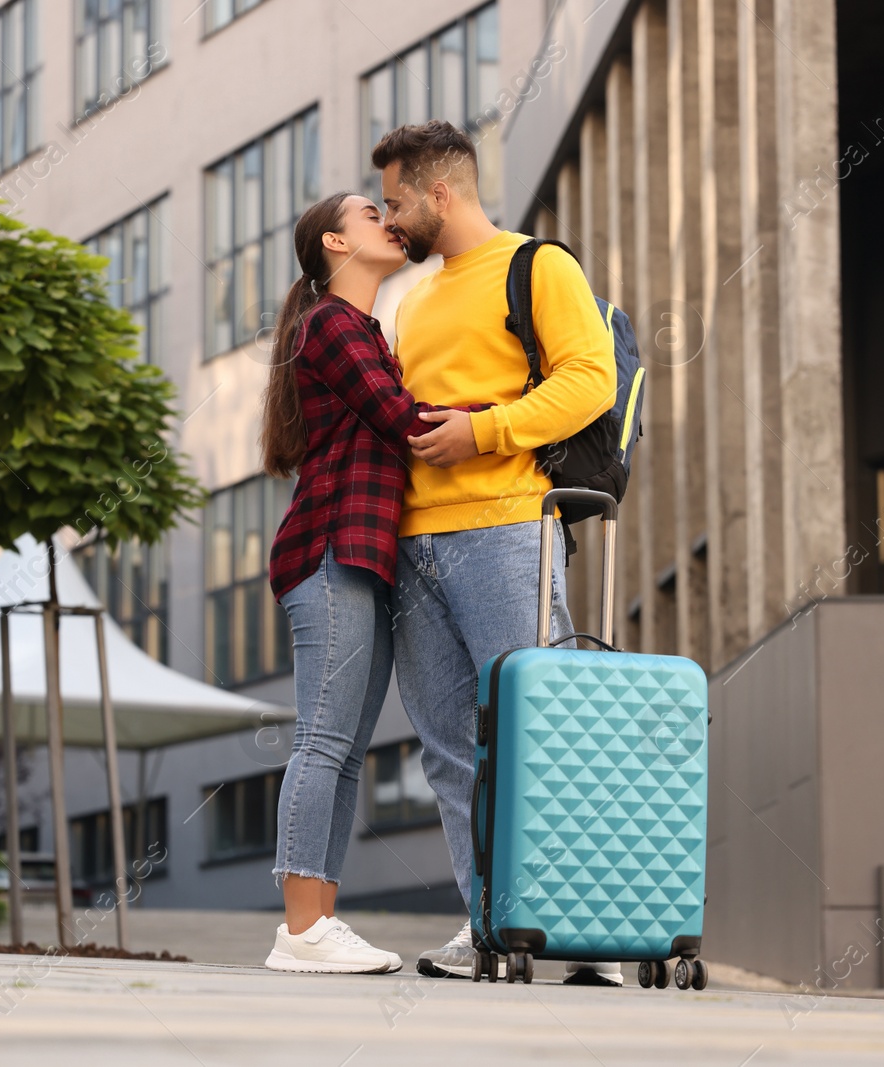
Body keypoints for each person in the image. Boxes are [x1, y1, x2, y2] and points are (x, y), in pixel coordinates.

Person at [373, 121, 624, 985]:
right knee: (449, 747)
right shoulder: (413, 299)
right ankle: (484, 923)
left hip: (511, 527)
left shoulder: (538, 265)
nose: (388, 217)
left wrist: (486, 429)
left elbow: (591, 377)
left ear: (441, 192)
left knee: (539, 732)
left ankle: (588, 933)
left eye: (397, 199)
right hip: (417, 543)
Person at [260, 191, 482, 973]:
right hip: (327, 551)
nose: (387, 217)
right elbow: (401, 418)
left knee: (346, 747)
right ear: (335, 241)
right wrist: (505, 416)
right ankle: (299, 929)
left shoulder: (366, 330)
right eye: (367, 210)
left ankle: (317, 922)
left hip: (360, 555)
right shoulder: (333, 322)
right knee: (324, 738)